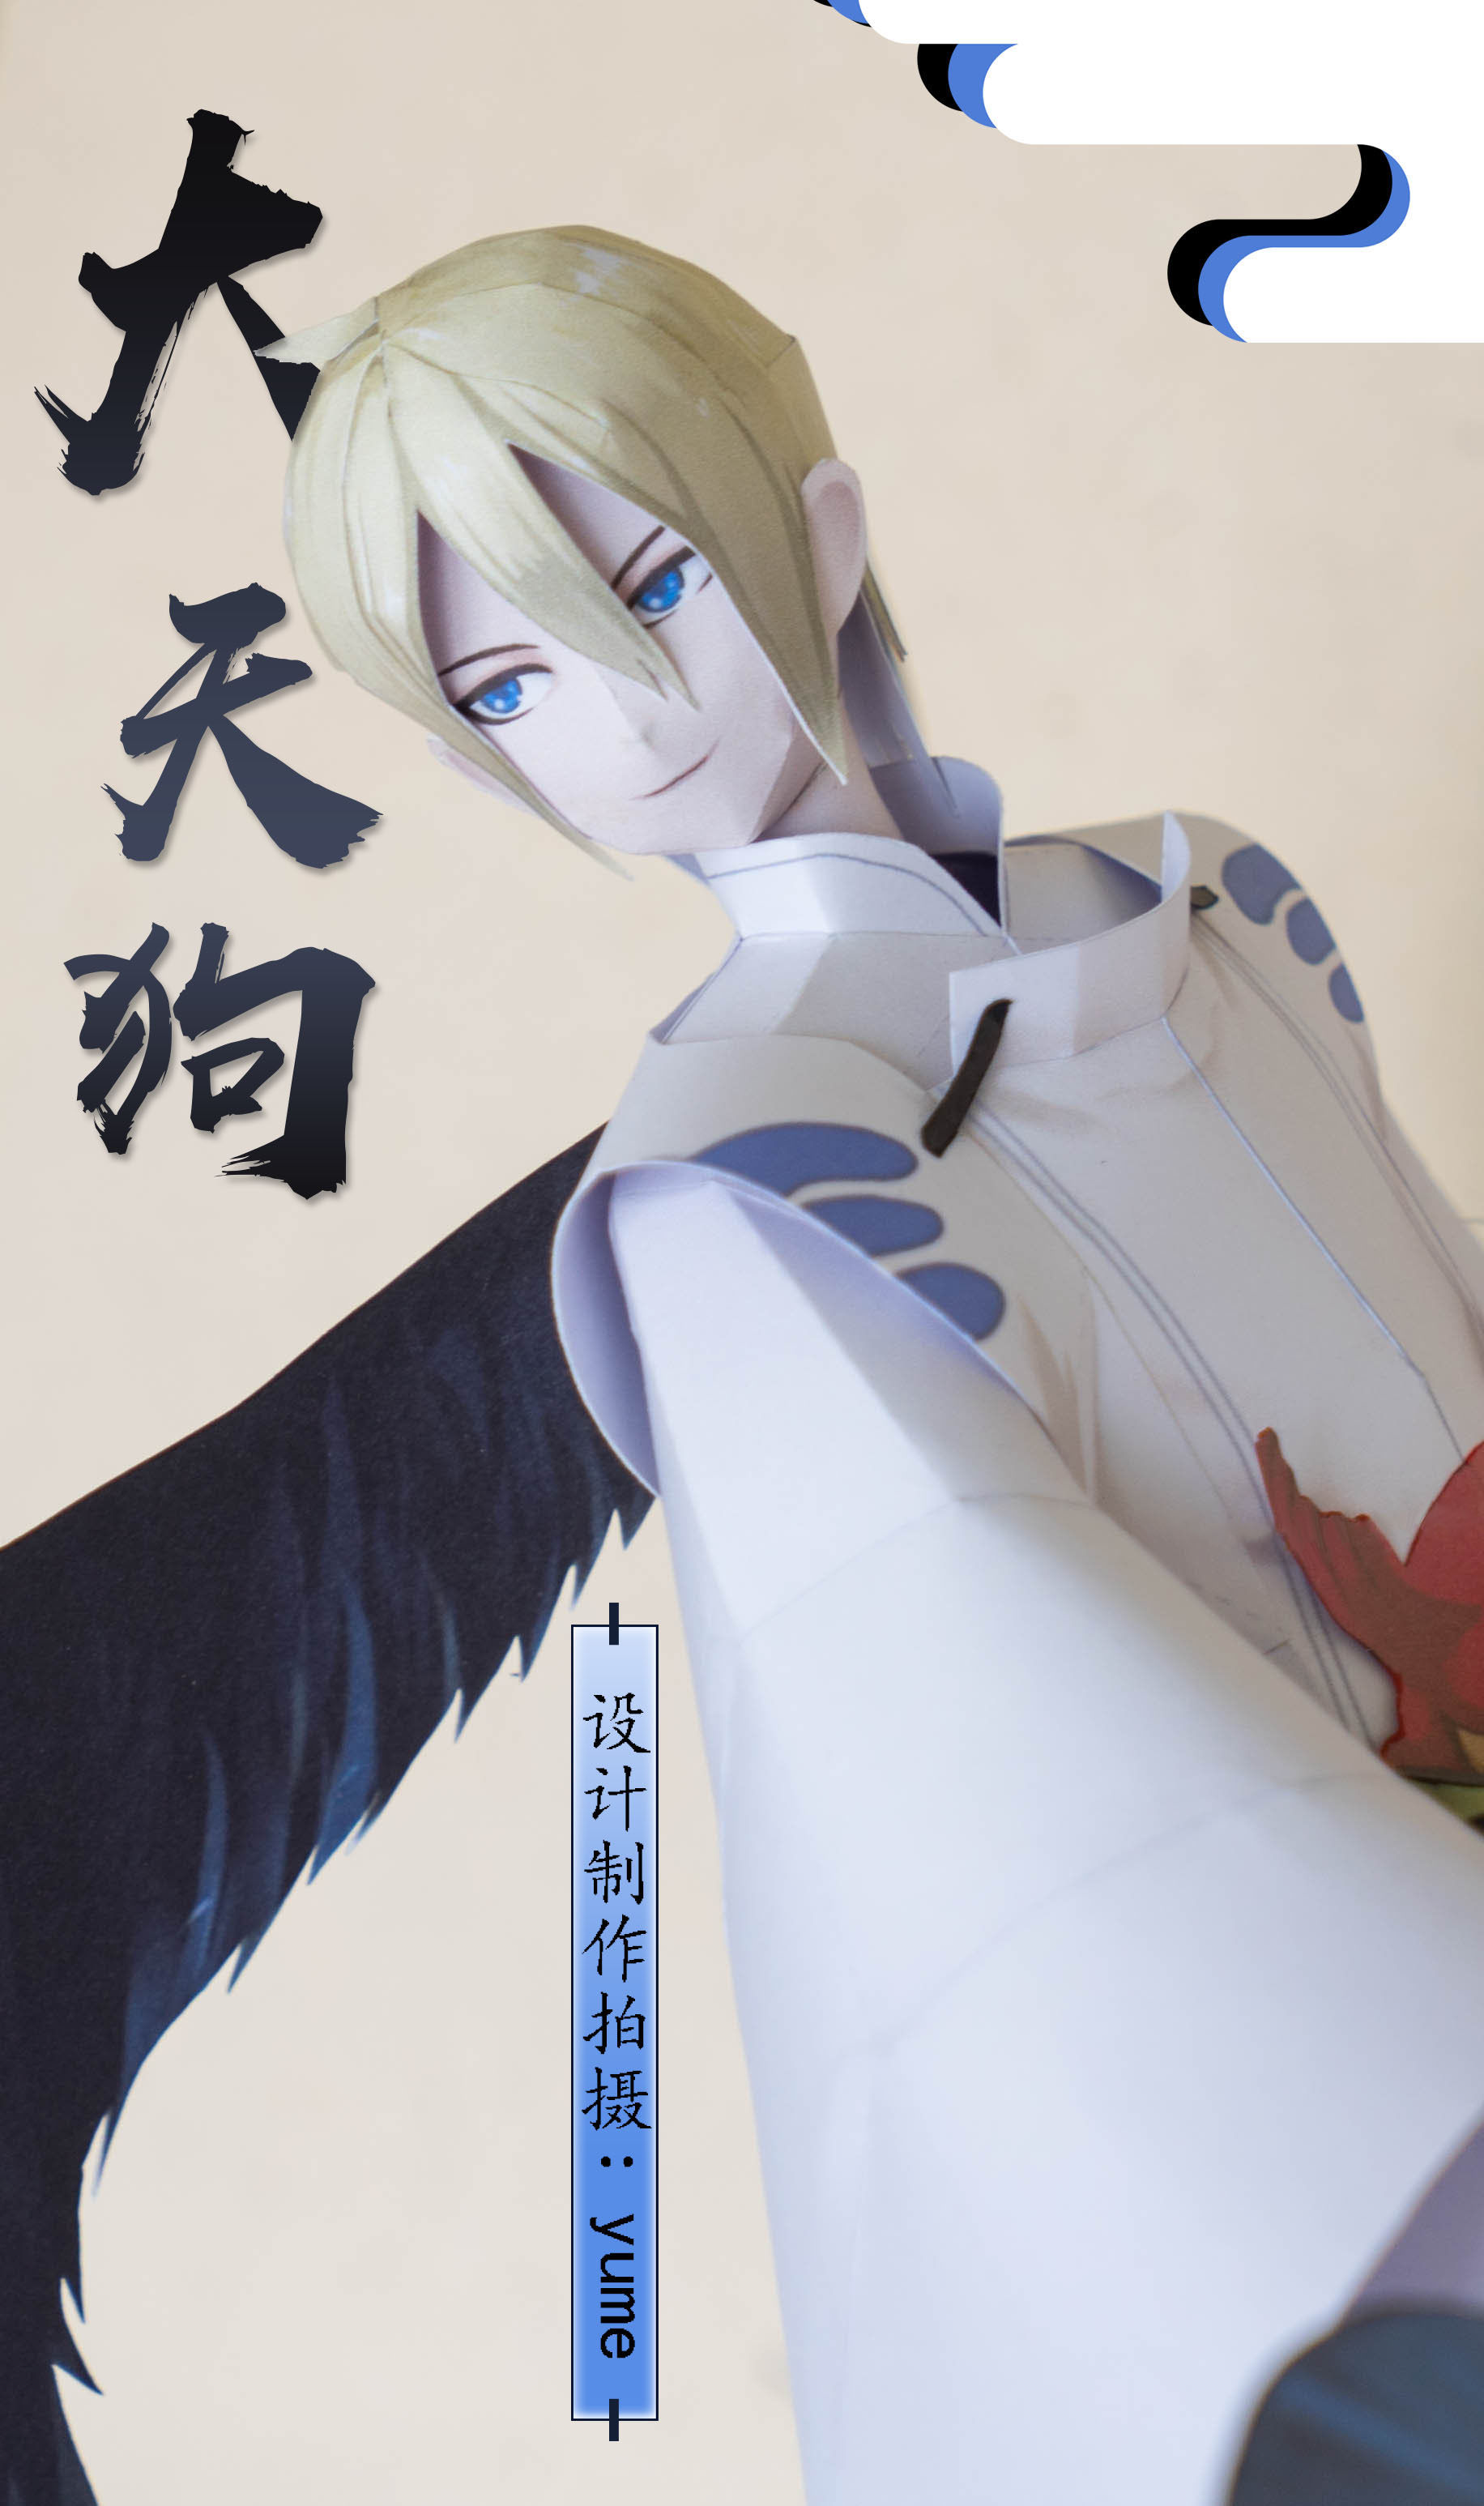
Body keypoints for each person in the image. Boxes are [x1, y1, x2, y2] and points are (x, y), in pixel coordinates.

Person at [268, 228, 1484, 2505]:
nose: (628, 717)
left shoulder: (1227, 913)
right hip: (1365, 2091)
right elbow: (1000, 1805)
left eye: (655, 586)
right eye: (515, 689)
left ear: (820, 536)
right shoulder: (735, 1183)